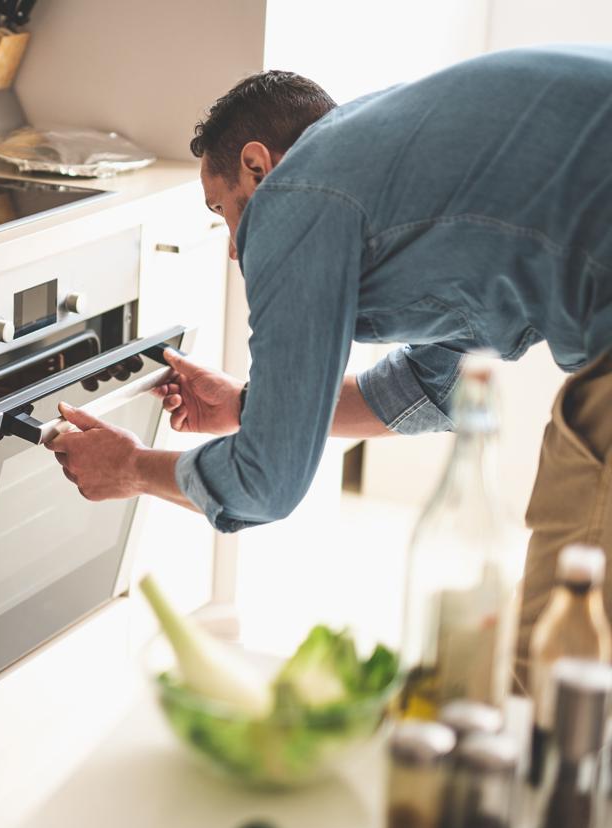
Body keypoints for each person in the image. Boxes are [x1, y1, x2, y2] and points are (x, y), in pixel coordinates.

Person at [44, 45, 612, 679]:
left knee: (549, 661)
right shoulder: (399, 173)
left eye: (224, 211)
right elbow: (431, 387)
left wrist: (129, 469)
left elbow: (268, 483)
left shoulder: (297, 193)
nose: (235, 250)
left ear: (258, 167)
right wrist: (249, 407)